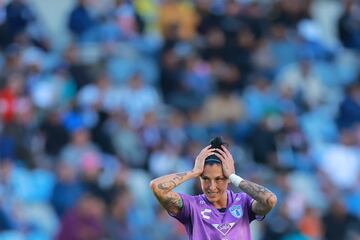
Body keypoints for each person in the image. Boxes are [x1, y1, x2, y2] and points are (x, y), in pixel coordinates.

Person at [150, 137, 277, 239]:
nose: (212, 186)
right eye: (205, 179)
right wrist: (194, 172)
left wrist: (234, 176)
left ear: (228, 179)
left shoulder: (244, 202)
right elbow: (157, 187)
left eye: (219, 179)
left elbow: (269, 200)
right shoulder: (192, 206)